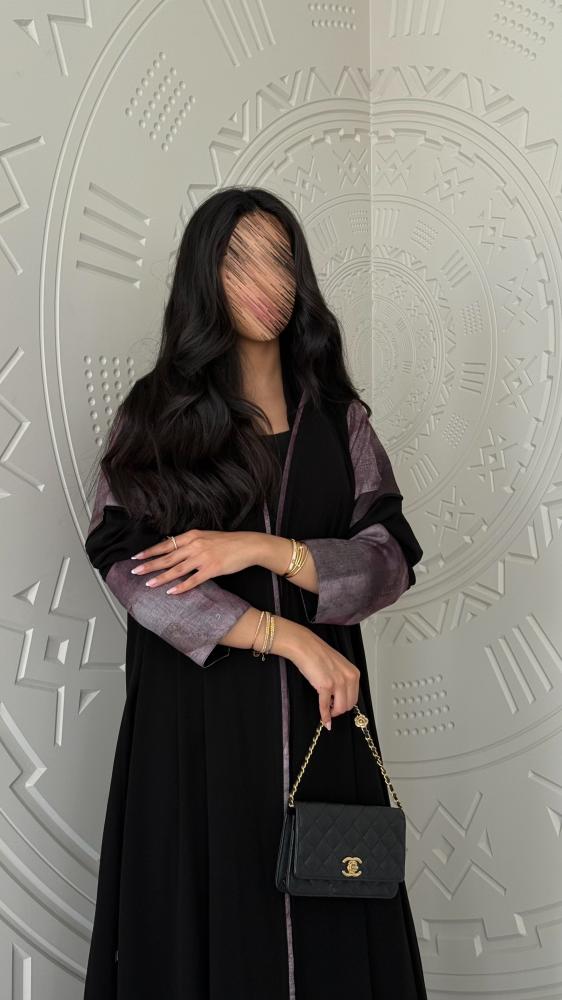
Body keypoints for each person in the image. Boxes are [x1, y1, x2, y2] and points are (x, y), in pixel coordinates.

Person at [82, 185, 427, 999]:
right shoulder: (159, 417)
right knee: (210, 919)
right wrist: (288, 636)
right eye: (239, 261)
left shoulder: (339, 421)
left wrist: (265, 549)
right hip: (195, 724)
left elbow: (390, 558)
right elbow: (129, 565)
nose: (267, 281)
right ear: (204, 277)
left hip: (321, 719)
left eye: (281, 260)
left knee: (329, 905)